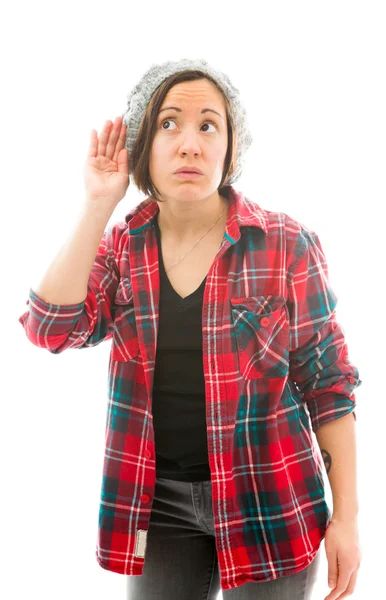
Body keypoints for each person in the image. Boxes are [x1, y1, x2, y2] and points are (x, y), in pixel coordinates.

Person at [18, 58, 362, 599]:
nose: (189, 144)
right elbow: (50, 329)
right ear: (142, 148)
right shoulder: (124, 247)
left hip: (270, 501)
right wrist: (97, 204)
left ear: (230, 147)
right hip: (159, 510)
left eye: (209, 125)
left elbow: (329, 384)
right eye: (169, 123)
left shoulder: (285, 243)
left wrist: (347, 519)